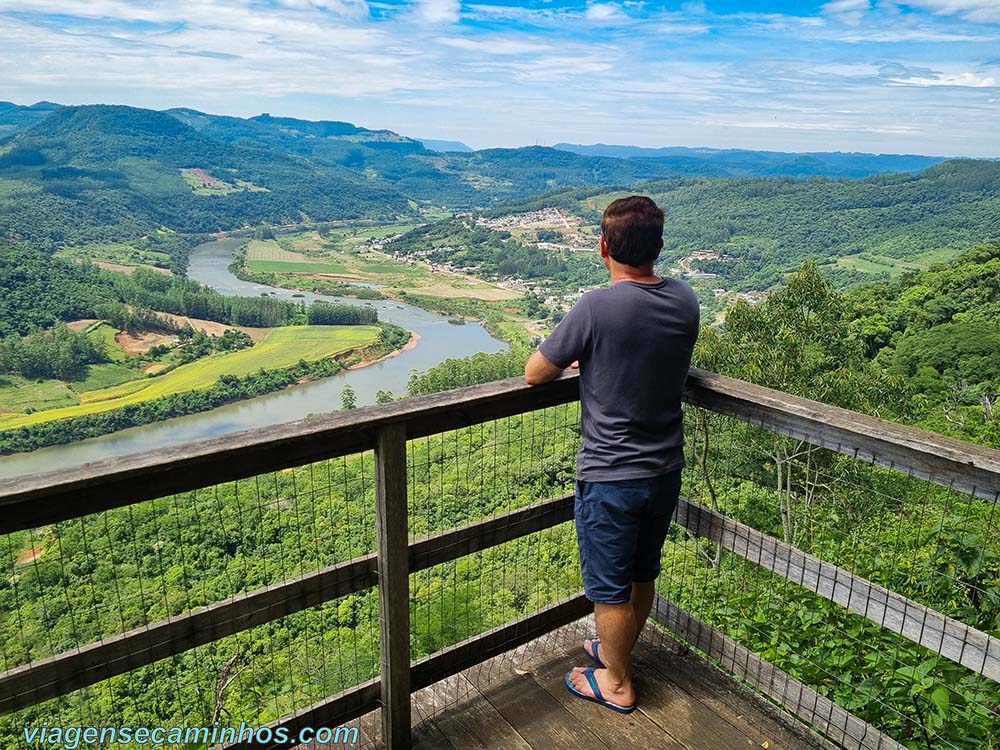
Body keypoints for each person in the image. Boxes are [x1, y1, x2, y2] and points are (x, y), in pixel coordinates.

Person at [524, 195, 699, 713]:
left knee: (608, 588)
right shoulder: (685, 299)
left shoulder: (597, 307)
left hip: (611, 474)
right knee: (642, 573)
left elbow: (536, 372)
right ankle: (617, 650)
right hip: (664, 466)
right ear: (659, 248)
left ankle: (617, 681)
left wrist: (586, 354)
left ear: (603, 246)